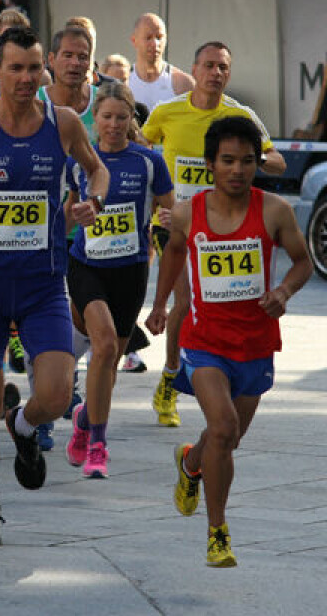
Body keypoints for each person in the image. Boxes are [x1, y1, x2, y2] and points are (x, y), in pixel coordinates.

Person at [0, 26, 109, 546]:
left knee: (55, 393)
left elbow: (96, 174)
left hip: (43, 284)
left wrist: (92, 203)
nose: (28, 78)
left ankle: (26, 426)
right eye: (17, 68)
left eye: (36, 68)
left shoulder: (64, 123)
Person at [145, 116, 312, 567]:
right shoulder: (187, 212)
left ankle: (191, 462)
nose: (237, 170)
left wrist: (283, 292)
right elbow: (175, 254)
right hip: (205, 344)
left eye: (246, 161)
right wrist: (160, 306)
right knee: (223, 427)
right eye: (227, 161)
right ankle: (218, 532)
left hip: (256, 343)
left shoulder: (275, 210)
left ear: (258, 163)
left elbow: (303, 263)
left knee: (226, 440)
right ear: (210, 164)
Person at [143, 41, 286, 427]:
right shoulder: (167, 112)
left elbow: (277, 160)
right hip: (177, 223)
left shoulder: (240, 116)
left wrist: (254, 158)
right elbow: (141, 147)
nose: (216, 73)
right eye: (208, 65)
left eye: (223, 66)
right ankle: (171, 380)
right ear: (194, 69)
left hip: (223, 226)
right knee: (186, 301)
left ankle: (196, 368)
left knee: (207, 305)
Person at [63, 82, 174, 478]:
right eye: (106, 117)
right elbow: (64, 215)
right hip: (86, 266)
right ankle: (98, 444)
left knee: (108, 362)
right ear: (96, 120)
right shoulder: (79, 161)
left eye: (121, 118)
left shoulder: (148, 161)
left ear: (131, 121)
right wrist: (70, 220)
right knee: (105, 344)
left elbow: (169, 211)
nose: (112, 124)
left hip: (130, 271)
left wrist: (168, 220)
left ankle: (83, 421)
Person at [128, 13, 195, 113]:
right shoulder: (123, 81)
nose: (155, 44)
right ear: (134, 41)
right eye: (148, 37)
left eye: (159, 37)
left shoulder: (183, 84)